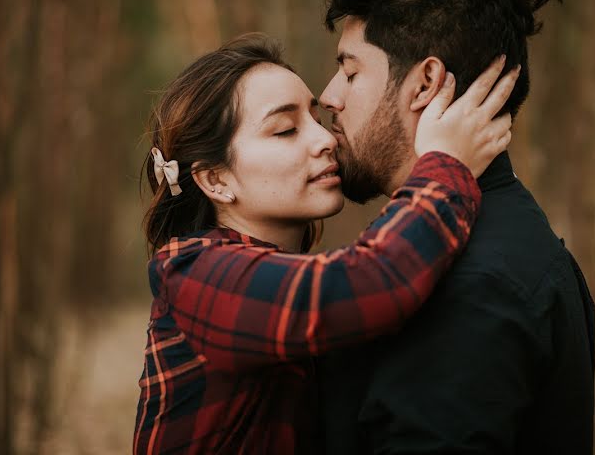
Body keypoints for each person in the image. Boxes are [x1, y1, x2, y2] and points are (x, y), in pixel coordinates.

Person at [132, 33, 518, 454]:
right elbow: (371, 281)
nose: (326, 139)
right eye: (284, 130)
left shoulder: (279, 274)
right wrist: (446, 166)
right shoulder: (194, 276)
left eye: (315, 119)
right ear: (216, 180)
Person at [302, 0, 595, 454]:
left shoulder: (467, 282)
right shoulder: (498, 237)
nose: (328, 95)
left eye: (350, 71)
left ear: (426, 83)